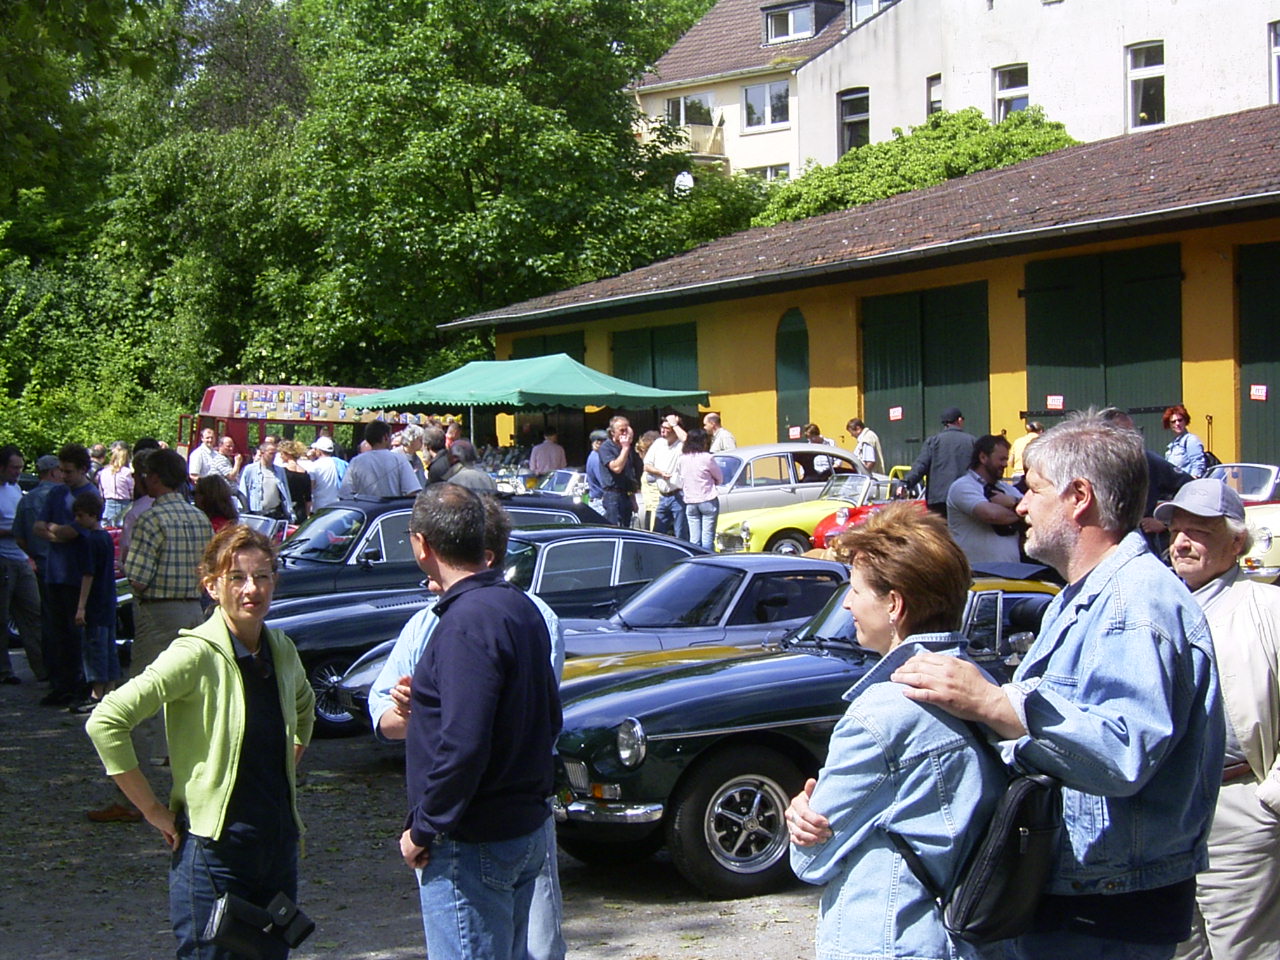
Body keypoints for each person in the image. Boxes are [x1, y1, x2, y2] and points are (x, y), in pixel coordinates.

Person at [883, 409, 1223, 959]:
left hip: (1107, 910)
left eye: (1034, 489)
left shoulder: (1133, 604)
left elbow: (1123, 753)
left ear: (1079, 497)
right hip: (1077, 897)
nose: (1020, 505)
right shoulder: (1083, 596)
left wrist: (996, 703)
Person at [787, 504, 1006, 960]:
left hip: (891, 939)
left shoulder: (881, 714)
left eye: (855, 590)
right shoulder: (984, 689)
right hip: (969, 938)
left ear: (895, 605)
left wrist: (802, 819)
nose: (847, 604)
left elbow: (810, 860)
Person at [86, 524, 315, 958]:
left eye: (262, 576)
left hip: (277, 845)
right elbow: (106, 721)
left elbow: (304, 707)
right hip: (215, 852)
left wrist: (287, 762)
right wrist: (153, 811)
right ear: (211, 586)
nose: (252, 589)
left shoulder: (280, 647)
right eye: (237, 577)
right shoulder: (193, 653)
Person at [369, 494, 566, 960]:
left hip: (472, 841)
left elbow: (464, 744)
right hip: (521, 826)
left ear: (422, 545)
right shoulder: (521, 608)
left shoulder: (465, 623)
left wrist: (423, 829)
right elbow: (546, 717)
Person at [1154, 480, 1280, 960]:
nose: (1182, 543)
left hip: (1237, 808)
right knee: (1176, 947)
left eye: (1199, 532)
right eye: (1176, 531)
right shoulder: (1157, 604)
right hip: (1165, 812)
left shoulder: (1268, 610)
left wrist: (1268, 801)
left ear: (1236, 542)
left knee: (1244, 949)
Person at [122, 448, 213, 770]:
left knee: (144, 690)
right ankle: (183, 758)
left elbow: (138, 578)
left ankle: (138, 770)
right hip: (194, 609)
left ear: (156, 478)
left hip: (158, 612)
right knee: (186, 689)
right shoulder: (199, 517)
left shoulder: (151, 518)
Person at [34, 443, 97, 706]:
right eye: (61, 470)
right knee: (56, 632)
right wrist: (58, 533)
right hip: (54, 571)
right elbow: (37, 527)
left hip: (77, 573)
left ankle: (78, 685)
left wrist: (56, 531)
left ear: (82, 469)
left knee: (75, 634)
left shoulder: (90, 494)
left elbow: (75, 531)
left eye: (68, 471)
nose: (63, 476)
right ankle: (60, 684)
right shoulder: (57, 492)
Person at [13, 453, 60, 684]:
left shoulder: (26, 499)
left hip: (40, 565)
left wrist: (34, 554)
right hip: (64, 566)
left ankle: (48, 669)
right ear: (53, 472)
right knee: (65, 620)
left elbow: (19, 536)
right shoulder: (62, 496)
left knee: (45, 619)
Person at [70, 492, 119, 713]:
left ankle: (96, 693)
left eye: (81, 515)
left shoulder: (90, 541)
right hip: (108, 600)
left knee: (95, 648)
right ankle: (110, 689)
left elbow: (88, 574)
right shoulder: (106, 538)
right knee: (109, 646)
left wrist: (81, 606)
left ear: (92, 515)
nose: (77, 520)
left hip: (95, 602)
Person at [0, 445, 45, 683]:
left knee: (34, 612)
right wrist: (15, 531)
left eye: (20, 467)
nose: (18, 472)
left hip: (21, 557)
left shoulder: (15, 488)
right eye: (13, 468)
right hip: (3, 558)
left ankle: (43, 668)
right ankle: (4, 671)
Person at [945, 434, 1023, 564]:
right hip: (977, 571)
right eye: (1001, 459)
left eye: (1006, 459)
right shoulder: (962, 486)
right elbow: (991, 515)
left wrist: (1013, 503)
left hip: (1012, 570)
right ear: (983, 457)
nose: (1005, 464)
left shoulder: (1006, 489)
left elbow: (1034, 511)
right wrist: (1020, 511)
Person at [897, 407, 976, 519]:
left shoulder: (933, 442)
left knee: (940, 529)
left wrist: (905, 483)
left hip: (938, 499)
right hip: (965, 497)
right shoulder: (972, 441)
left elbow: (920, 466)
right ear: (959, 420)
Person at [340, 421, 423, 498]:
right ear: (385, 437)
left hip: (365, 507)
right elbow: (412, 491)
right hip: (392, 508)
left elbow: (345, 493)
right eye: (390, 436)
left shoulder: (356, 462)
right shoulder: (399, 460)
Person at [678, 428, 723, 551]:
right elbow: (720, 478)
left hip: (690, 501)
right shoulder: (707, 457)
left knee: (694, 539)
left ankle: (695, 558)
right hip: (707, 498)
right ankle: (707, 559)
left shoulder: (682, 459)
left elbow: (681, 477)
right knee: (707, 538)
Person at [643, 415, 687, 539]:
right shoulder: (658, 443)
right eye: (662, 427)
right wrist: (660, 473)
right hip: (662, 496)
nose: (662, 430)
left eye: (667, 428)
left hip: (678, 495)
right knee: (658, 534)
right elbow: (646, 466)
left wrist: (675, 424)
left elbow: (687, 440)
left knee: (681, 533)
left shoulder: (681, 445)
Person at [597, 416, 643, 527]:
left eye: (626, 430)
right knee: (614, 528)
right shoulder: (606, 448)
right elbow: (616, 468)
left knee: (626, 527)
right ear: (612, 432)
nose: (625, 433)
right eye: (622, 430)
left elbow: (629, 473)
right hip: (612, 495)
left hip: (626, 494)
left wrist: (633, 499)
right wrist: (625, 448)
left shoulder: (627, 449)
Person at [96, 441, 134, 528]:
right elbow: (132, 491)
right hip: (124, 506)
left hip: (108, 505)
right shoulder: (127, 472)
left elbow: (101, 491)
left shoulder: (103, 472)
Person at [1164, 404, 1207, 479]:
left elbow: (1198, 465)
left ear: (1185, 421)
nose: (1177, 423)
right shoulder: (1172, 446)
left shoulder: (1191, 440)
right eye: (1173, 422)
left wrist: (1192, 481)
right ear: (1169, 425)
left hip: (1187, 484)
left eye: (1180, 420)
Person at [307, 435, 347, 510]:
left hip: (319, 506)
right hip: (335, 505)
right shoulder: (337, 463)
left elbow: (310, 488)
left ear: (319, 451)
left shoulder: (314, 466)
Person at [276, 439, 311, 521]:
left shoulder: (283, 472)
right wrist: (308, 515)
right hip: (300, 510)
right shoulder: (305, 473)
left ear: (287, 454)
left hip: (286, 510)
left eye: (281, 454)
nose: (280, 456)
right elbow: (308, 498)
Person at [583, 429, 608, 516]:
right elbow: (604, 482)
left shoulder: (595, 456)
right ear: (598, 443)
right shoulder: (597, 459)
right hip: (599, 502)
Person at [399, 424, 428, 488]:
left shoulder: (417, 459)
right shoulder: (396, 456)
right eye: (420, 440)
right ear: (412, 439)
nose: (422, 443)